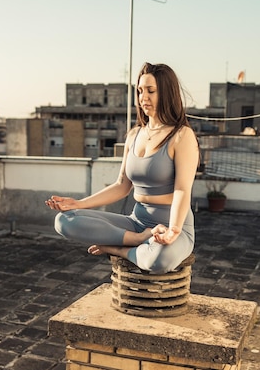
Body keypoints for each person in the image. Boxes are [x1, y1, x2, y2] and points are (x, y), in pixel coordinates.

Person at [45, 63, 200, 273]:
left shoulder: (182, 136)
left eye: (151, 91)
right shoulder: (135, 135)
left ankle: (119, 250)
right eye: (140, 91)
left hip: (173, 225)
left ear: (167, 92)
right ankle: (136, 240)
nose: (143, 97)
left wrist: (173, 230)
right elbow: (121, 185)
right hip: (137, 222)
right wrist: (79, 203)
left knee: (159, 261)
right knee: (64, 220)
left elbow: (182, 189)